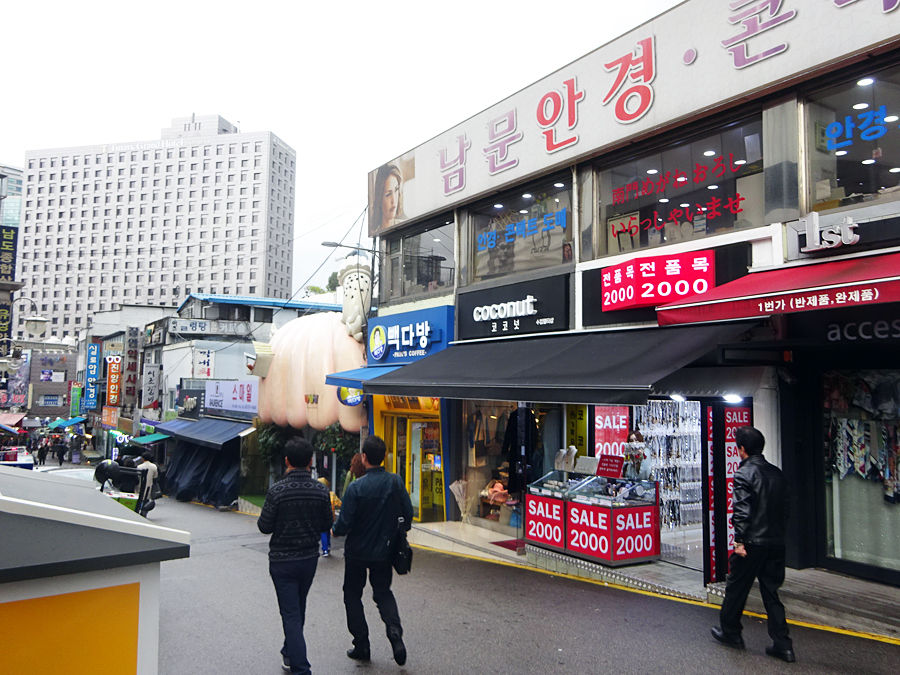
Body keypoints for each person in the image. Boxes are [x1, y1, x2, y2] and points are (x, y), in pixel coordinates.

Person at [711, 426, 795, 663]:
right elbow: (785, 509)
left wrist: (739, 541)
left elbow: (742, 509)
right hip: (775, 542)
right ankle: (783, 644)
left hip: (751, 543)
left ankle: (731, 632)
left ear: (742, 449)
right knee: (771, 593)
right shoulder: (777, 473)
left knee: (736, 589)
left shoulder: (744, 473)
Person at [333, 436, 412, 666]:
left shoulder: (356, 487)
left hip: (356, 552)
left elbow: (343, 524)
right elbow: (407, 515)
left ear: (364, 457)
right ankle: (394, 631)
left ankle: (362, 644)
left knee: (352, 595)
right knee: (383, 592)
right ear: (384, 456)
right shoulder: (395, 482)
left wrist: (335, 530)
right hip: (384, 551)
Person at [257, 437, 333, 675]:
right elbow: (327, 524)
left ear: (287, 461)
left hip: (282, 560)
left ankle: (301, 668)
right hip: (308, 559)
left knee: (291, 613)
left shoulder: (277, 491)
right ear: (310, 461)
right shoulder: (321, 490)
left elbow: (264, 526)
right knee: (298, 607)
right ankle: (289, 652)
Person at [371, 163, 403, 232]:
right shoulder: (375, 233)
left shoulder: (405, 225)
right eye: (388, 194)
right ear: (379, 199)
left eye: (396, 190)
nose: (394, 200)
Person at [316, 477, 341, 557]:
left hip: (321, 517)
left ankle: (325, 549)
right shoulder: (332, 494)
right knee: (328, 532)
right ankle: (328, 546)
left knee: (323, 533)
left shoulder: (317, 494)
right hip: (331, 517)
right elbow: (339, 504)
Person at [136, 451, 159, 517]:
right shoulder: (154, 466)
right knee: (146, 500)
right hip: (149, 487)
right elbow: (155, 477)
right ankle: (144, 512)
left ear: (143, 458)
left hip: (139, 486)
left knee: (139, 500)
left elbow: (137, 477)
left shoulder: (139, 467)